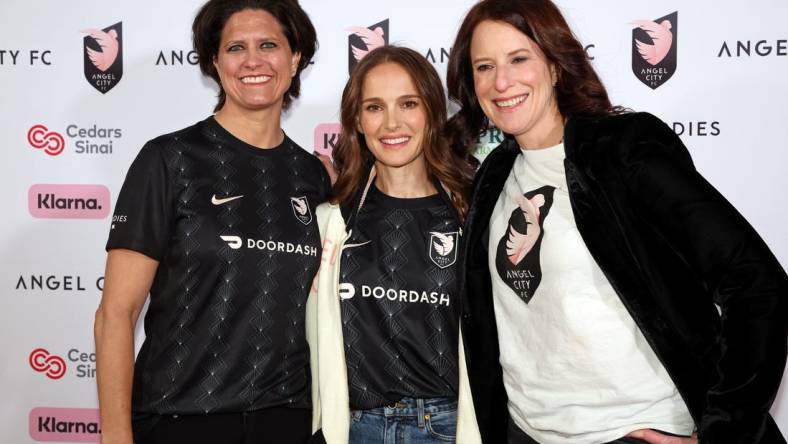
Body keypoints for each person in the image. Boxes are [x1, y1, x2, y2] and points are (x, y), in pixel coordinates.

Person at [445, 0, 788, 443]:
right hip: (527, 432)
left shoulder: (622, 152)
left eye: (519, 59)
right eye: (484, 67)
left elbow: (755, 281)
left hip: (634, 430)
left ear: (554, 64)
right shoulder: (494, 176)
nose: (501, 81)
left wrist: (725, 430)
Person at [94, 1, 328, 443]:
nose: (253, 61)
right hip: (180, 420)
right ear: (215, 62)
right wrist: (116, 436)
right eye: (236, 47)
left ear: (295, 58)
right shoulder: (169, 161)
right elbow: (115, 316)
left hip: (288, 421)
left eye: (269, 45)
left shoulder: (313, 176)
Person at [308, 45, 481, 443]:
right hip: (354, 427)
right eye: (374, 107)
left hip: (446, 427)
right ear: (357, 120)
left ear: (433, 113)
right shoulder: (332, 219)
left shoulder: (472, 213)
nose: (391, 123)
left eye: (408, 104)